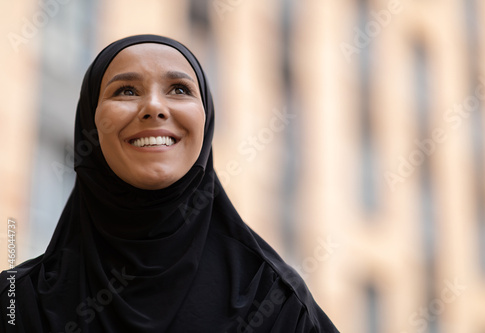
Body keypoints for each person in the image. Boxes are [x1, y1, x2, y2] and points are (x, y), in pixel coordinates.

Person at [0, 34, 339, 332]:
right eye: (126, 90)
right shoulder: (16, 305)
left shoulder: (275, 303)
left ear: (206, 121)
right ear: (90, 121)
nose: (154, 107)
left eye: (179, 89)